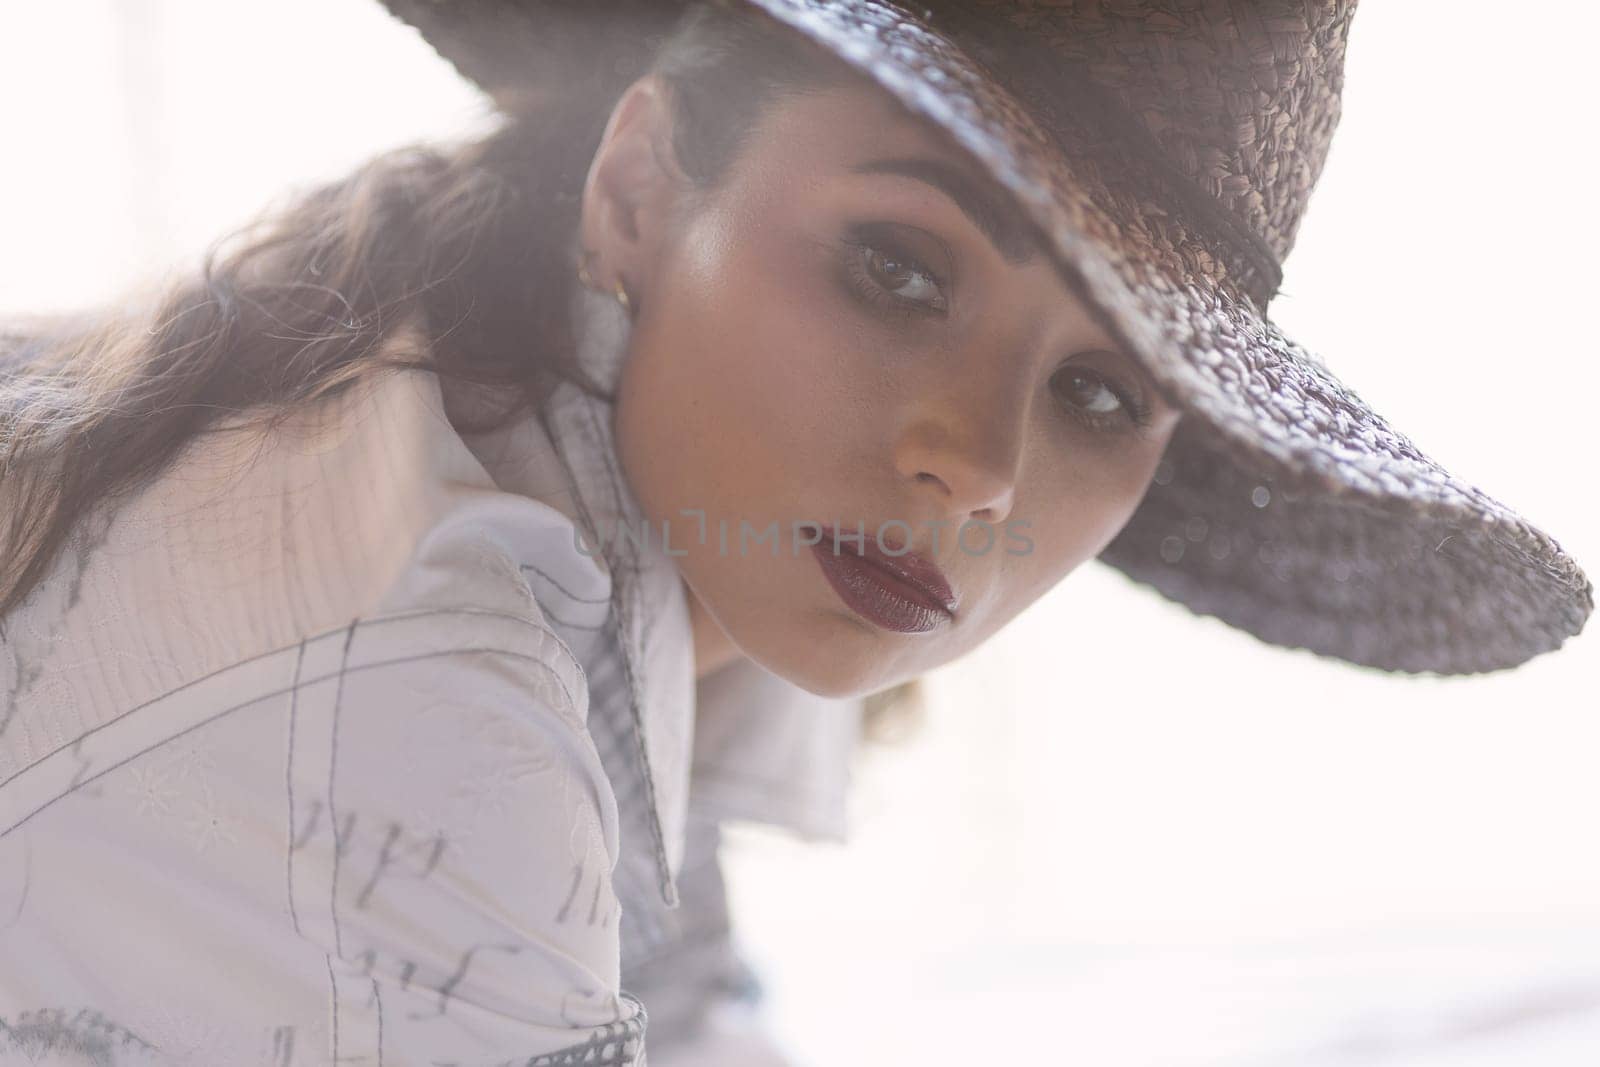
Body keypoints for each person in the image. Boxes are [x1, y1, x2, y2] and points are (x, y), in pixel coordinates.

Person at [0, 1, 1590, 1064]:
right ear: (635, 191)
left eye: (1103, 393)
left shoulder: (600, 520)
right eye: (900, 270)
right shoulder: (426, 687)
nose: (974, 466)